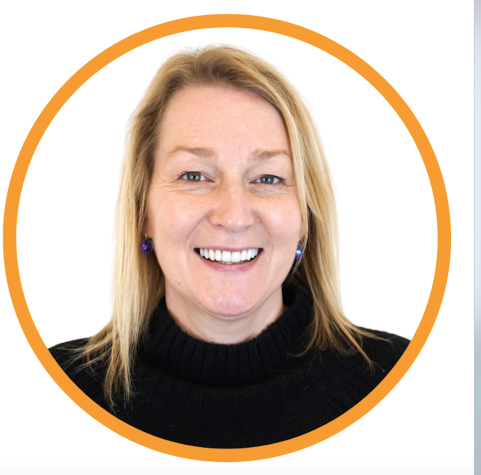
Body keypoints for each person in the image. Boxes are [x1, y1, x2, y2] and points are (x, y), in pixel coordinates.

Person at [50, 45, 409, 448]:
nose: (234, 216)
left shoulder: (405, 381)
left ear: (304, 218)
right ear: (143, 213)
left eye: (268, 179)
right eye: (194, 175)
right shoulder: (50, 392)